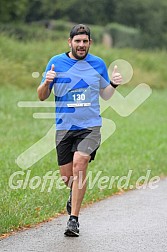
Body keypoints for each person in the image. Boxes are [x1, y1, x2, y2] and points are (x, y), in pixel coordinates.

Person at [37, 24, 122, 237]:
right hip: (64, 128)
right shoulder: (56, 62)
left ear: (90, 43)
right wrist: (47, 83)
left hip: (90, 127)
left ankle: (73, 219)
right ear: (70, 42)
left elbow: (106, 95)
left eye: (85, 41)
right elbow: (41, 96)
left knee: (80, 163)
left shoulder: (98, 64)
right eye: (77, 41)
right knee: (67, 178)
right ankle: (73, 194)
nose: (81, 45)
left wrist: (113, 83)